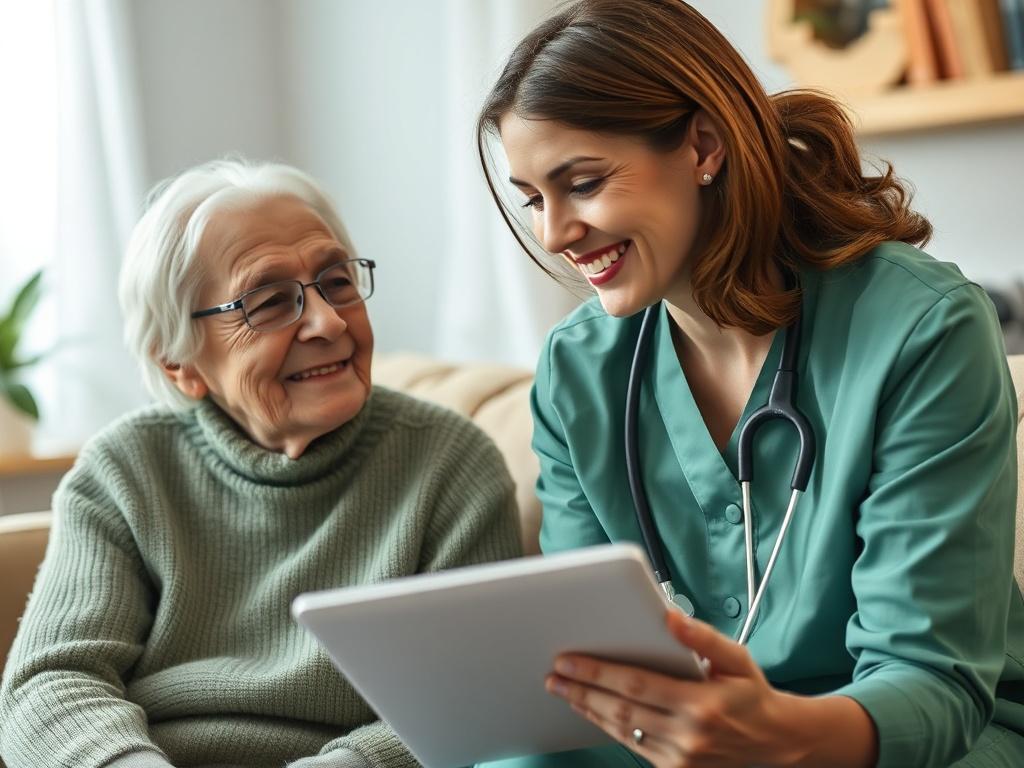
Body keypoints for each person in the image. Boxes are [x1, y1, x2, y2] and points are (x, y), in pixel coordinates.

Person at [474, 1, 1023, 766]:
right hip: (684, 740)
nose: (555, 234)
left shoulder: (922, 331)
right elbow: (597, 664)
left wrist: (764, 737)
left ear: (703, 144)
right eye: (535, 199)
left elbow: (931, 682)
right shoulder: (578, 370)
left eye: (585, 183)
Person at [0, 159, 521, 768]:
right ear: (181, 365)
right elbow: (50, 682)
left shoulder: (448, 464)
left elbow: (469, 692)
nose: (327, 322)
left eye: (337, 282)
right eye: (270, 303)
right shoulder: (126, 470)